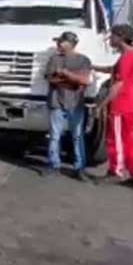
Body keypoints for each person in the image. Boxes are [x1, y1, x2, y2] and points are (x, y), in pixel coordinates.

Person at [95, 24, 133, 189]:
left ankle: (115, 172)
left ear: (121, 37)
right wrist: (94, 67)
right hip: (131, 105)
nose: (110, 39)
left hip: (120, 106)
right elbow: (114, 71)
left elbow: (118, 84)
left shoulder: (126, 57)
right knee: (127, 141)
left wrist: (102, 105)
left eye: (113, 36)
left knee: (114, 141)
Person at [44, 31, 92, 179]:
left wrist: (64, 73)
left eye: (61, 42)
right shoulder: (54, 59)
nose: (58, 44)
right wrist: (73, 79)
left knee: (77, 136)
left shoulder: (83, 60)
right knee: (54, 136)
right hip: (56, 101)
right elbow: (51, 79)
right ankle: (53, 165)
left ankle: (79, 168)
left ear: (71, 43)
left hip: (76, 103)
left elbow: (85, 81)